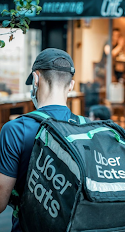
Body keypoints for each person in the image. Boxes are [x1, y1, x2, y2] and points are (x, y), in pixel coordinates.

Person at [0, 48, 76, 232]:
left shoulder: (16, 129)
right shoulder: (85, 128)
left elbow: (0, 201)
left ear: (36, 79)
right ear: (71, 85)